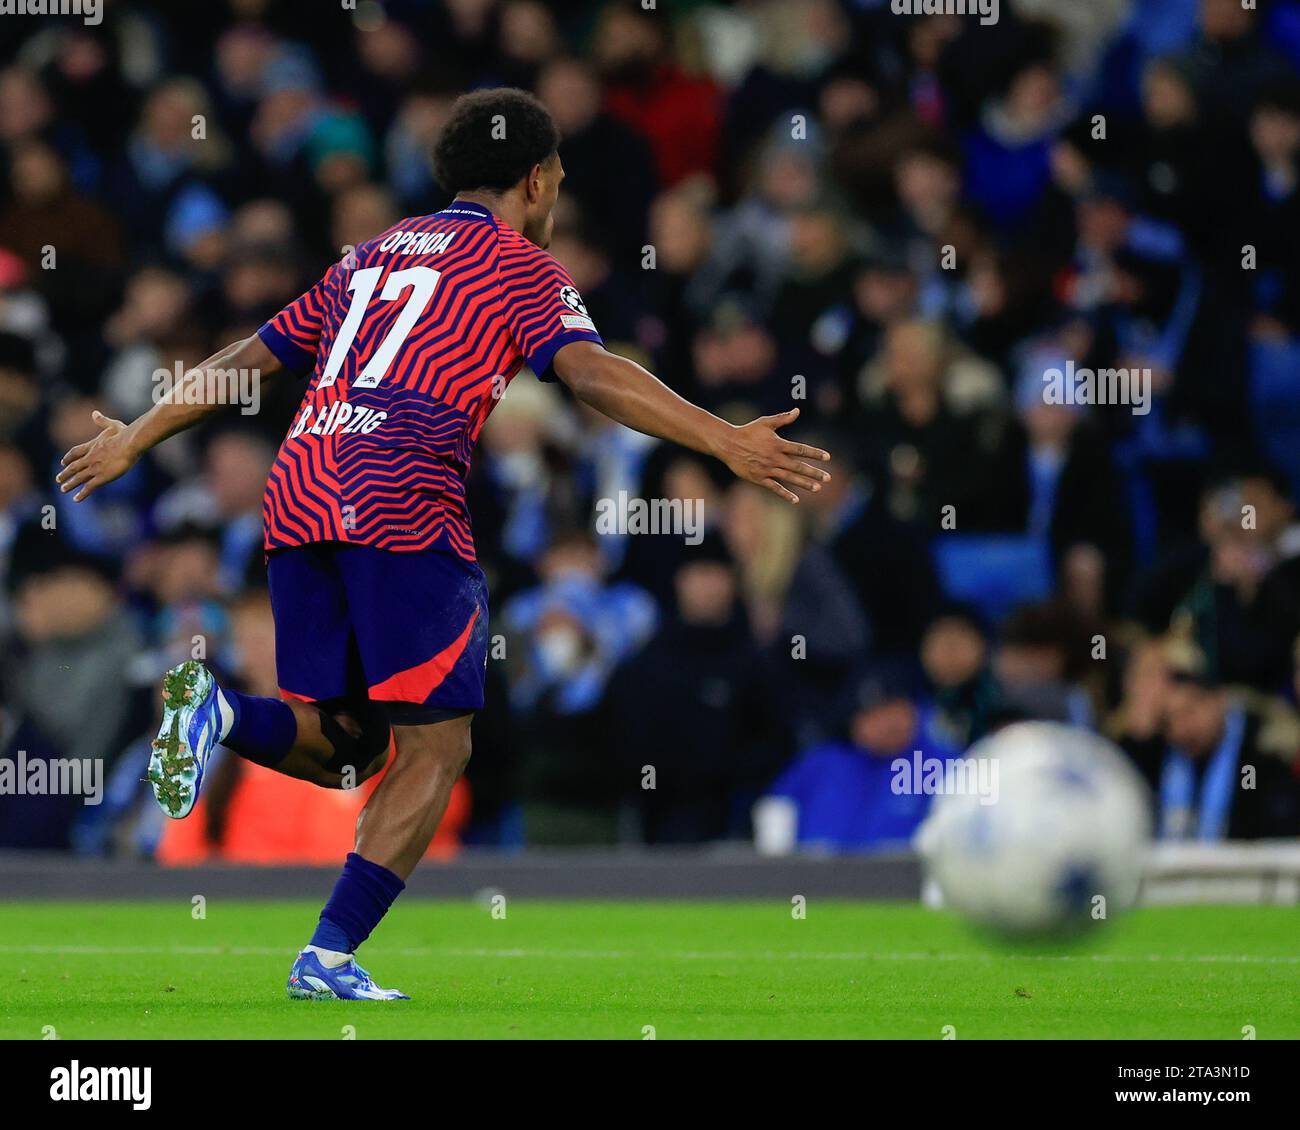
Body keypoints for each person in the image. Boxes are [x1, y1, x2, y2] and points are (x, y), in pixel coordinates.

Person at [56, 88, 831, 1001]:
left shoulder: (373, 255)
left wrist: (136, 436)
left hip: (301, 486)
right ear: (536, 178)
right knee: (438, 748)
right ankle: (328, 958)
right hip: (403, 498)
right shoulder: (521, 266)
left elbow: (251, 359)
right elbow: (590, 370)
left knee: (346, 745)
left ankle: (217, 715)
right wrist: (724, 438)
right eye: (558, 178)